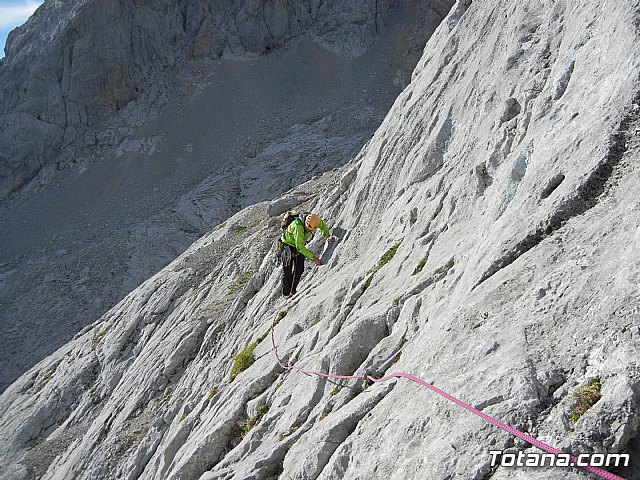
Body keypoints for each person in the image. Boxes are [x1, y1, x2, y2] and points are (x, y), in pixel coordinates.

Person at [280, 212, 335, 297]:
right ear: (305, 223)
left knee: (299, 268)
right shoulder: (298, 226)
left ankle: (292, 291)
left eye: (311, 230)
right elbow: (300, 247)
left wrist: (327, 236)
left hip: (297, 244)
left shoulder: (315, 221)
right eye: (308, 228)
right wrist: (313, 258)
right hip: (287, 245)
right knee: (287, 270)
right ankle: (286, 293)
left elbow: (323, 226)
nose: (309, 230)